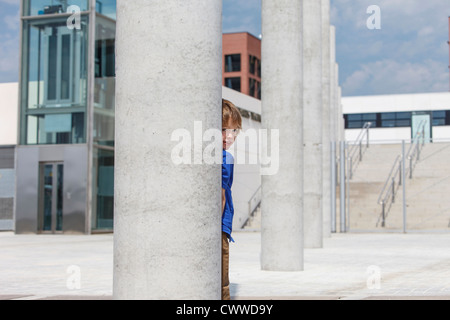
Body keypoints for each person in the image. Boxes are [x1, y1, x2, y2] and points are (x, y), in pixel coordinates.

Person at [221, 98, 242, 300]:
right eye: (224, 129)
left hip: (220, 225)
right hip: (220, 226)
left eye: (234, 130)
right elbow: (221, 196)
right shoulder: (225, 158)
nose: (229, 136)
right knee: (222, 283)